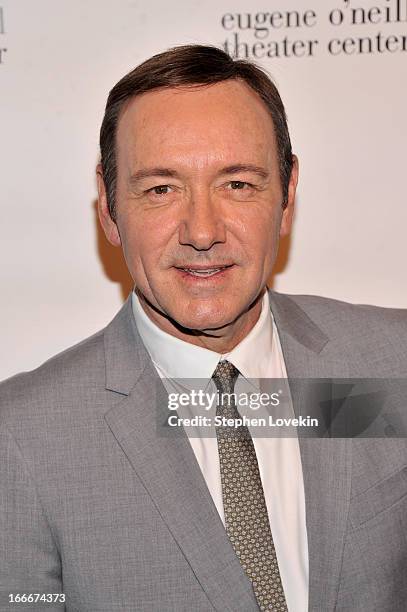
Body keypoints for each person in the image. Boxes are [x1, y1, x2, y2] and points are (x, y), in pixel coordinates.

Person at [1, 45, 406, 612]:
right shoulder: (21, 438)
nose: (202, 231)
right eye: (161, 188)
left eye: (237, 184)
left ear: (287, 195)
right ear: (109, 207)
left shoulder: (395, 364)